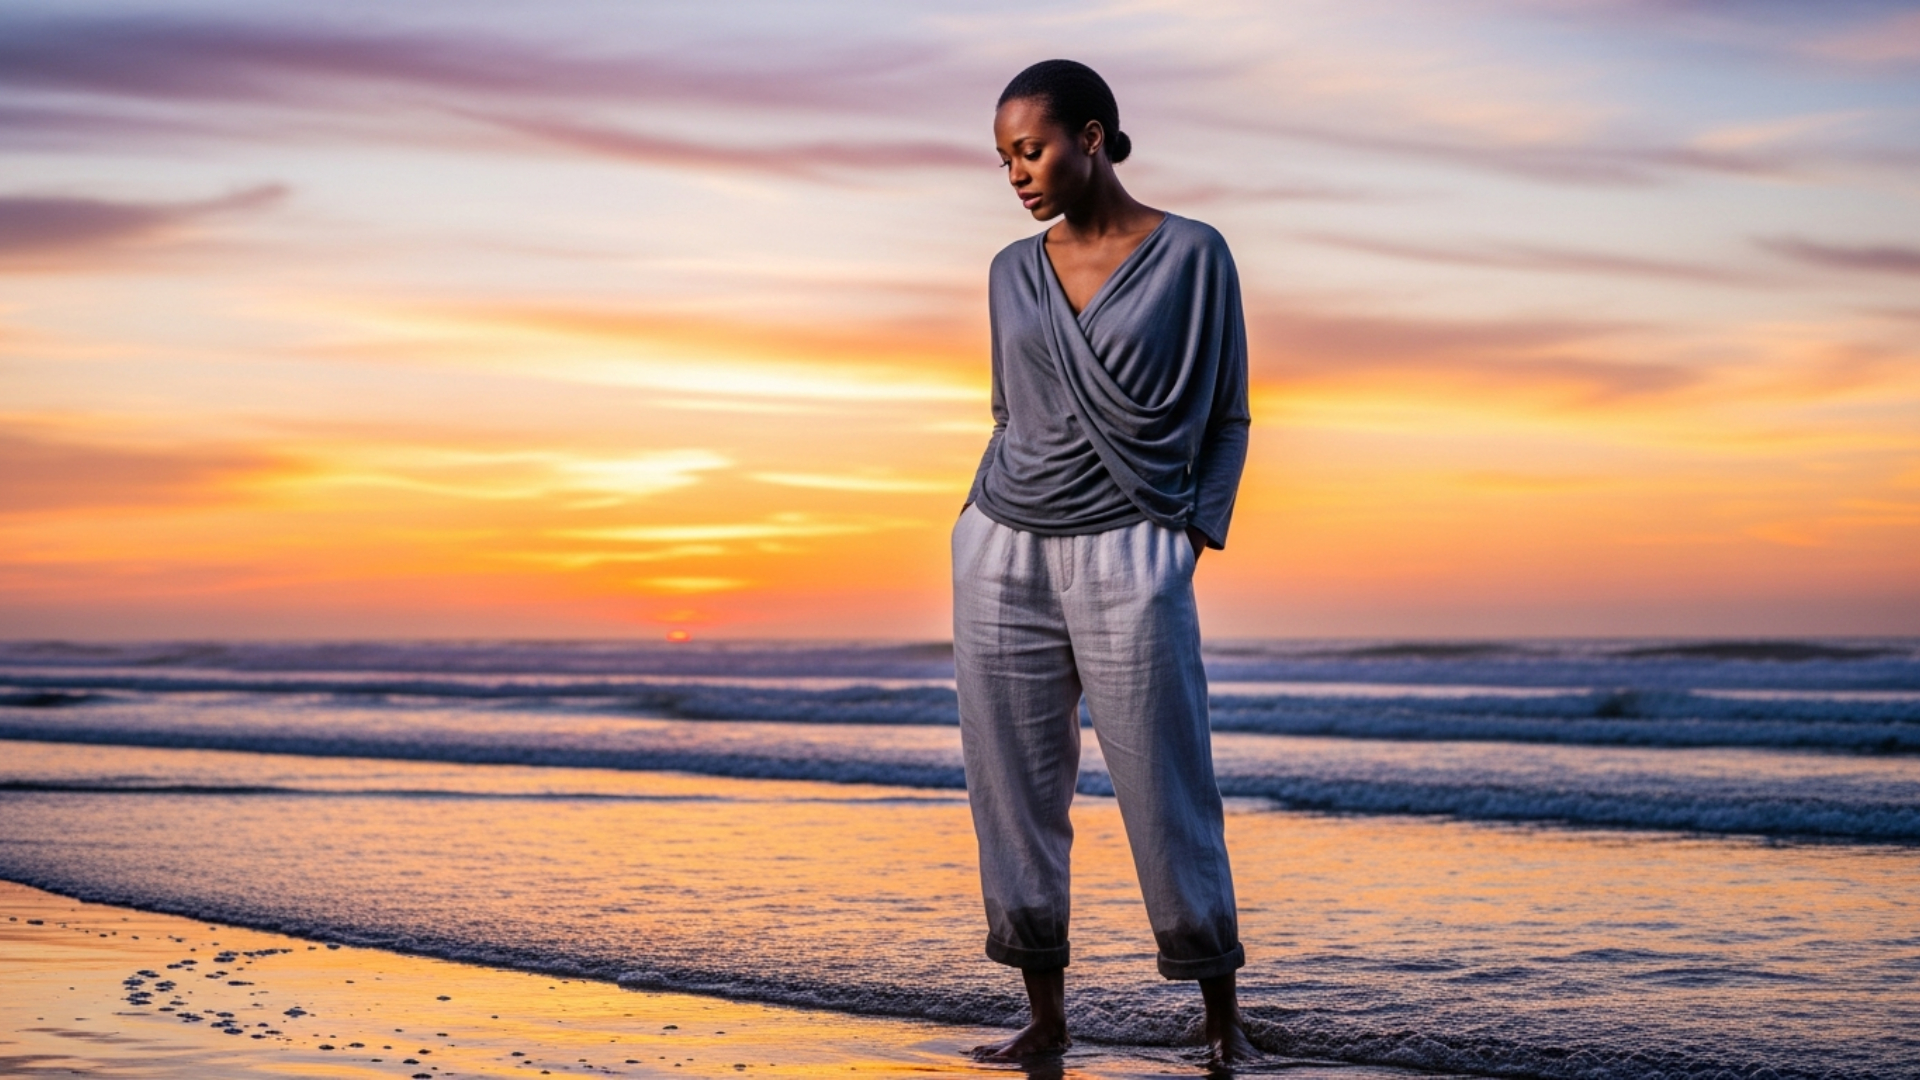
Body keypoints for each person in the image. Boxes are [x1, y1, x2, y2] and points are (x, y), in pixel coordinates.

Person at [951, 59, 1256, 1068]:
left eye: (1029, 149)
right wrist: (973, 518)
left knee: (1166, 783)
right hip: (1002, 544)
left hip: (1135, 545)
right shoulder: (1009, 271)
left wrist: (1190, 537)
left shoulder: (1194, 256)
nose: (1016, 173)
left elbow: (1228, 415)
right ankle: (1045, 1017)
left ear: (1091, 136)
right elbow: (1008, 412)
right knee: (1013, 788)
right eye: (1004, 159)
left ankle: (1221, 1022)